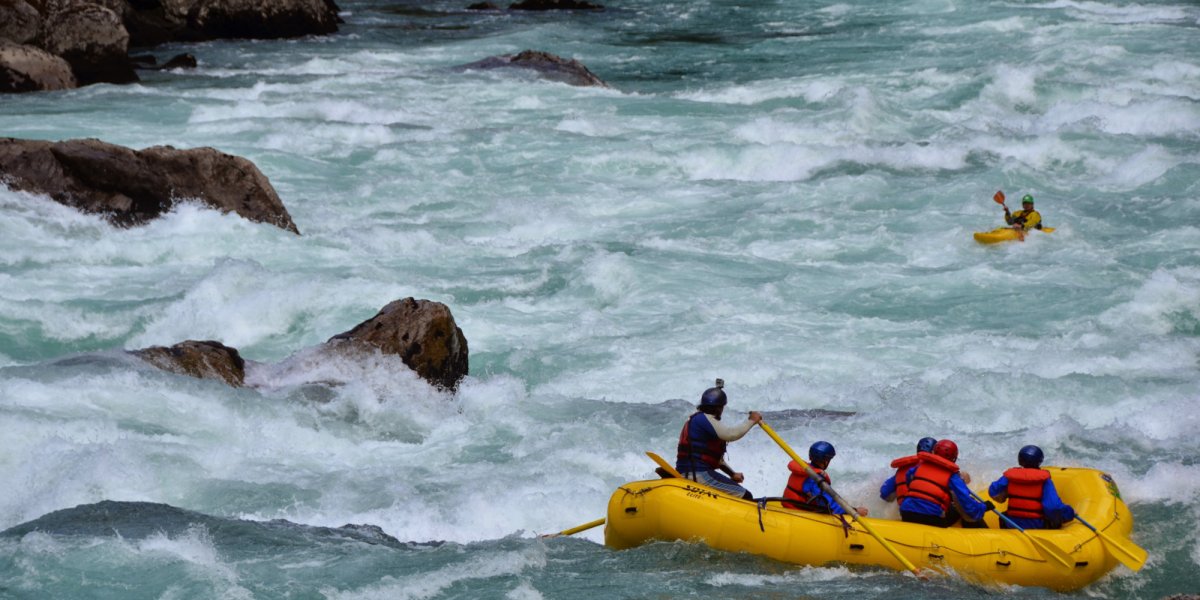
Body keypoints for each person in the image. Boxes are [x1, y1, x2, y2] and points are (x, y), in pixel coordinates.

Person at [675, 378, 762, 500]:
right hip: (699, 474)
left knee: (733, 490)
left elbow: (716, 460)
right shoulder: (704, 420)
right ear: (719, 408)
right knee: (746, 496)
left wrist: (732, 474)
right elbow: (731, 435)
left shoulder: (697, 419)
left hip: (687, 472)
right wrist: (752, 421)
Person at [899, 439, 990, 528]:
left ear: (934, 452)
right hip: (930, 519)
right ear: (954, 458)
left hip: (906, 513)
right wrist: (984, 507)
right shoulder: (953, 476)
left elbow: (909, 480)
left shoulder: (919, 467)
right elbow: (967, 504)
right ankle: (983, 536)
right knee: (963, 510)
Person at [987, 445, 1076, 529]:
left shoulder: (1009, 477)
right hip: (1037, 525)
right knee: (1055, 520)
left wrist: (1007, 492)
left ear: (1020, 460)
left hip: (1012, 523)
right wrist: (1070, 513)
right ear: (1040, 461)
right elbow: (1052, 507)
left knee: (1003, 516)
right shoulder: (1044, 480)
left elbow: (993, 491)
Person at [781, 441, 869, 516]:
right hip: (799, 513)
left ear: (810, 457)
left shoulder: (803, 469)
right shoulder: (816, 479)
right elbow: (830, 505)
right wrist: (855, 511)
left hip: (788, 506)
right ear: (826, 461)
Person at [879, 437, 937, 503]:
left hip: (904, 509)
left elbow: (884, 492)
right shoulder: (937, 469)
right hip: (928, 509)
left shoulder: (902, 468)